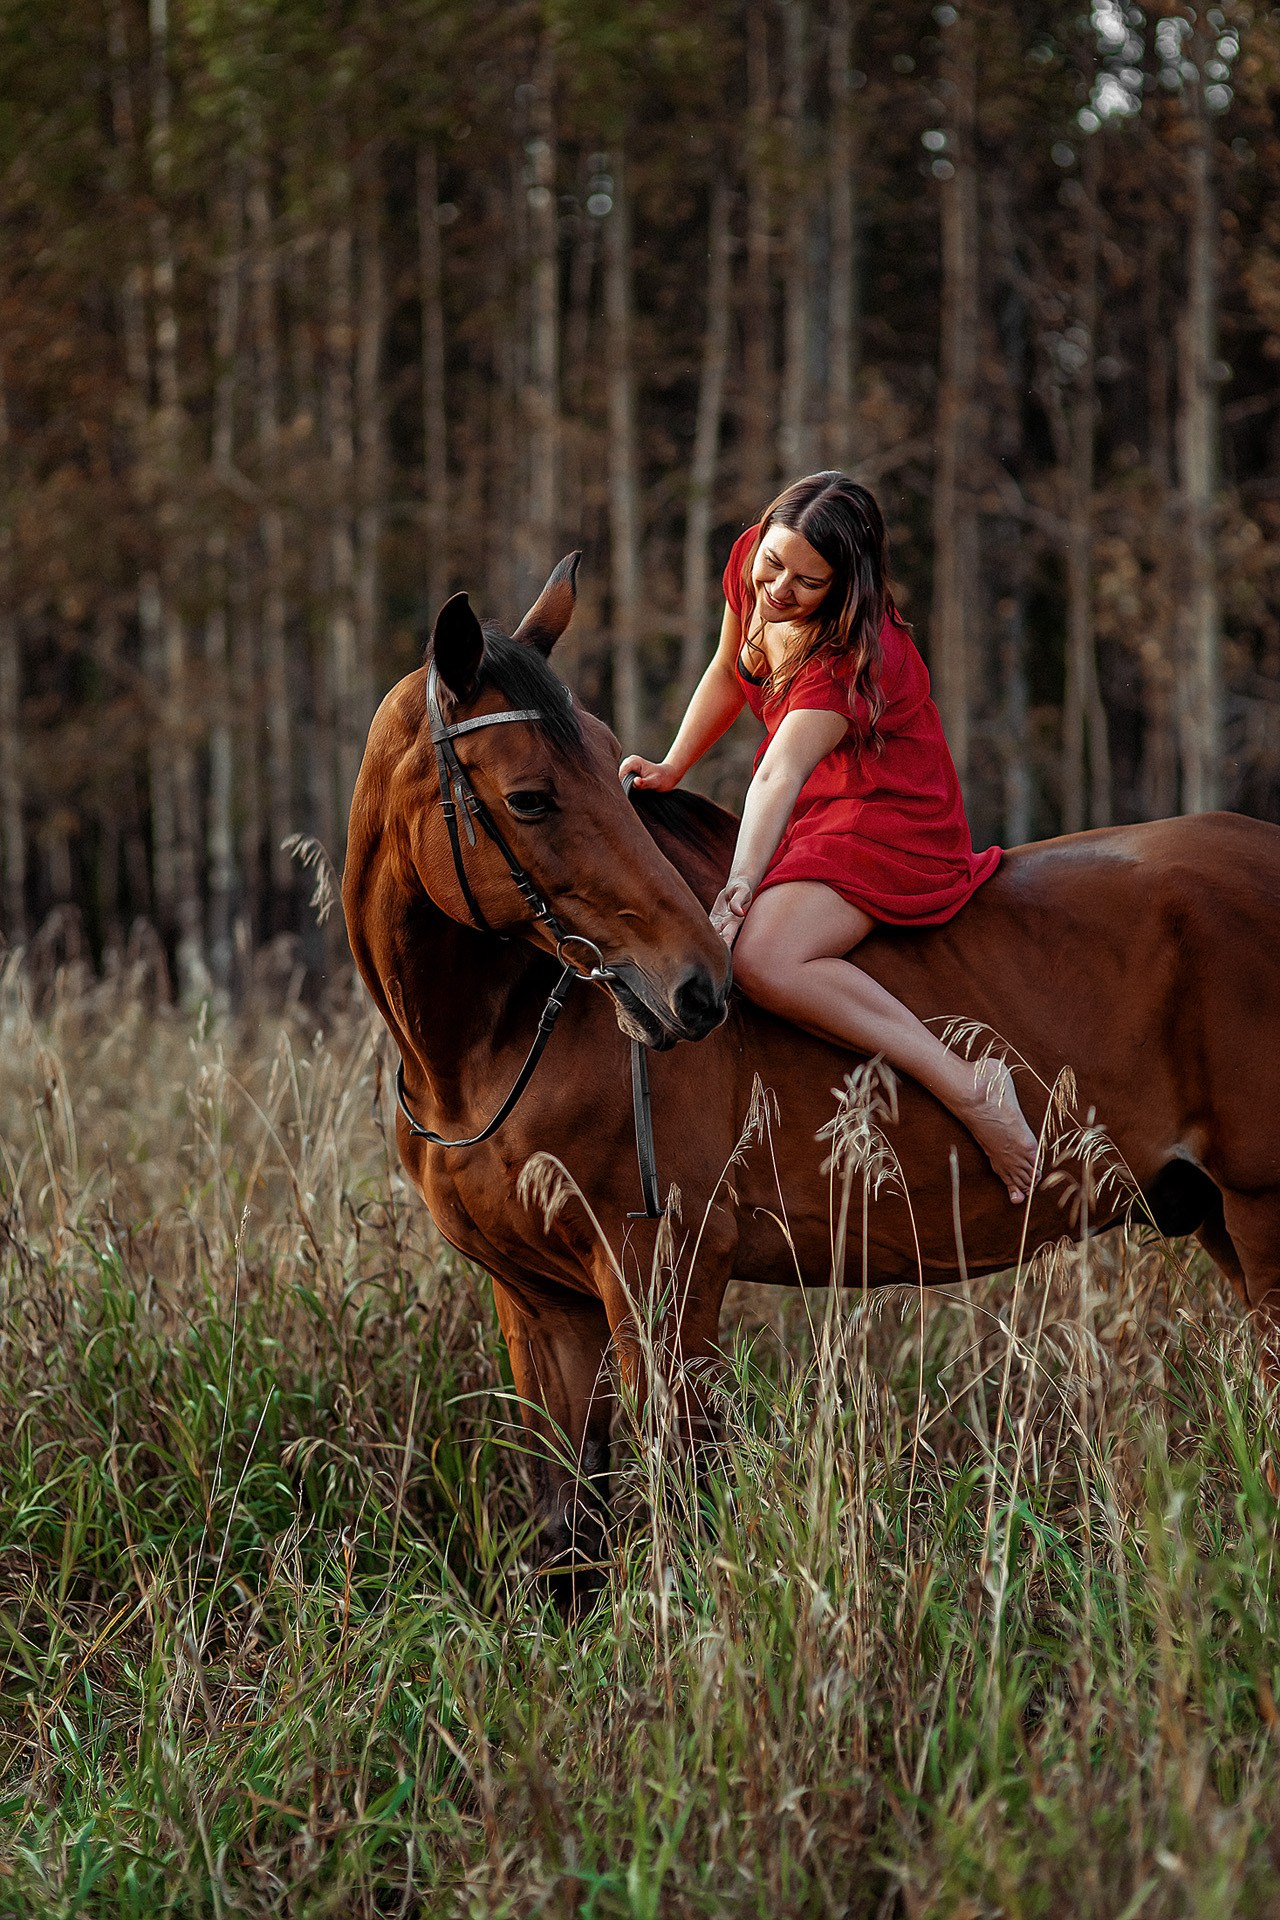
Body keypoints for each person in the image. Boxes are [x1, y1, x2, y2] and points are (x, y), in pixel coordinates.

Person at [619, 470, 1039, 1204]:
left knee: (766, 959)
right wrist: (673, 764)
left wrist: (740, 887)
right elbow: (729, 667)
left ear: (845, 588)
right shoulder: (756, 560)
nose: (778, 590)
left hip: (888, 815)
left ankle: (971, 1086)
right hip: (818, 801)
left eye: (807, 583)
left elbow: (778, 774)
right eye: (773, 565)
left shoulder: (850, 655)